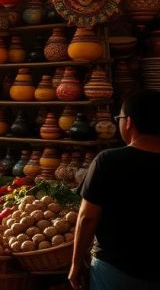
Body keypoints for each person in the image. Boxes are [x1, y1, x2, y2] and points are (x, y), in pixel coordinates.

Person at [69, 91, 160, 289]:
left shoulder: (108, 161)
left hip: (115, 270)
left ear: (128, 122)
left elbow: (87, 217)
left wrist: (76, 263)